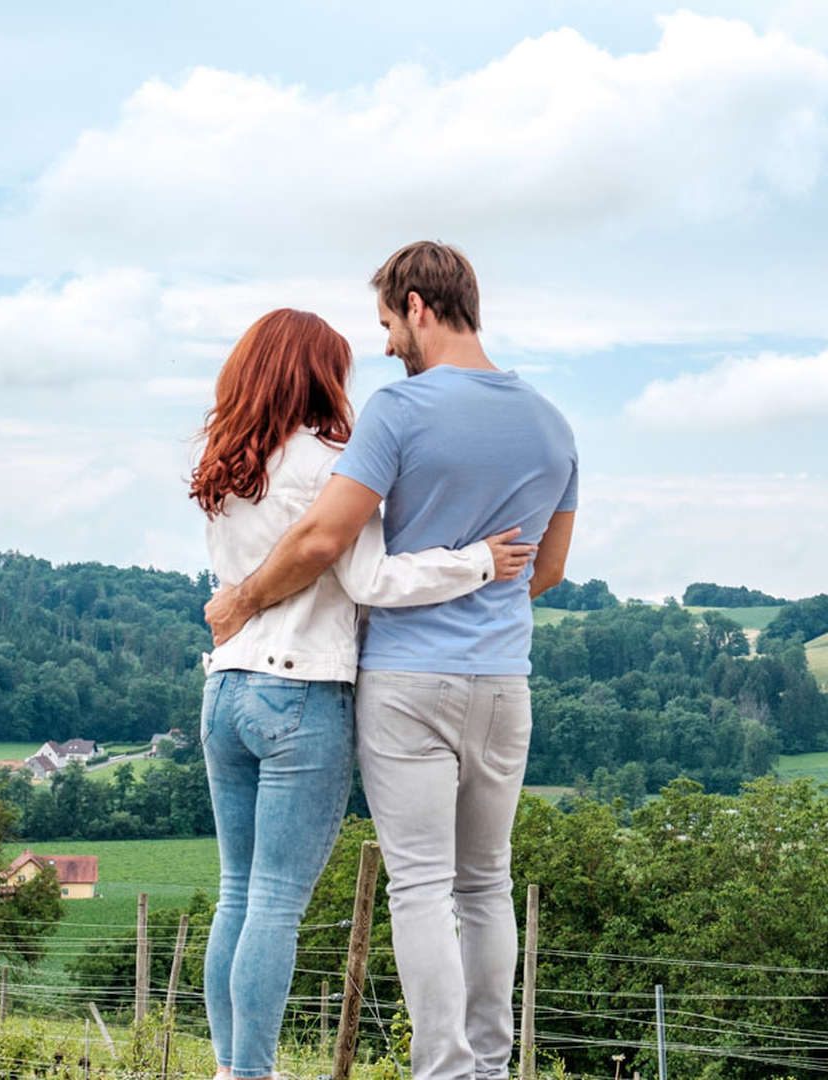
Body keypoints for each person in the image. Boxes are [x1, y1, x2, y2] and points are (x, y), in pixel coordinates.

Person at [204, 241, 577, 1080]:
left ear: (416, 305)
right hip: (505, 680)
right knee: (487, 885)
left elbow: (329, 539)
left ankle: (439, 1070)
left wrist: (242, 600)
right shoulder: (553, 422)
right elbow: (547, 569)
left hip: (405, 680)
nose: (383, 348)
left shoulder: (398, 415)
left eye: (385, 324)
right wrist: (484, 595)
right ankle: (487, 1065)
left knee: (418, 888)